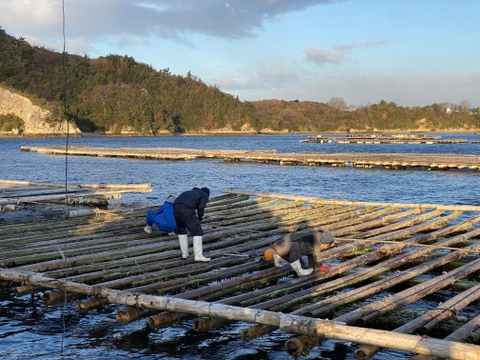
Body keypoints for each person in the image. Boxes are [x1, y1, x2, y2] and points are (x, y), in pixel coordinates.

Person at [263, 229, 334, 276]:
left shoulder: (314, 239)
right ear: (326, 243)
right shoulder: (316, 238)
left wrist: (314, 269)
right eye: (326, 246)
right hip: (281, 245)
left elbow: (312, 255)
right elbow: (316, 253)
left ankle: (277, 257)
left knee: (302, 265)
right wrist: (320, 266)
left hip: (282, 247)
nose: (325, 248)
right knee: (295, 251)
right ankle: (299, 272)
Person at [173, 187, 211, 262]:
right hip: (186, 208)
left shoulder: (190, 192)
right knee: (197, 232)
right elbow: (201, 207)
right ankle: (198, 256)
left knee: (181, 231)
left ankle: (184, 254)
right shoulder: (204, 195)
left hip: (176, 206)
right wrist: (200, 218)